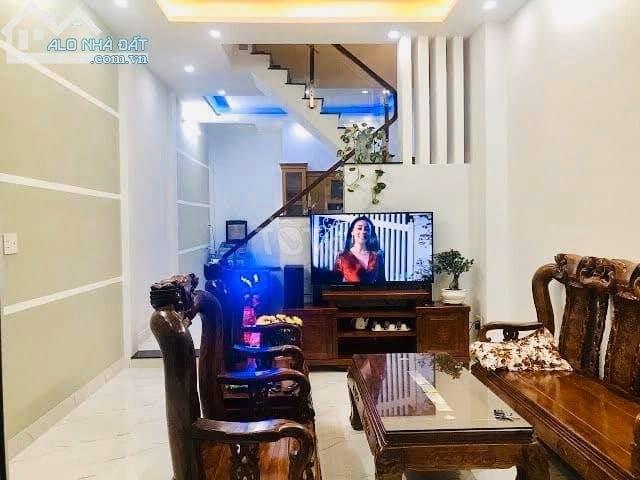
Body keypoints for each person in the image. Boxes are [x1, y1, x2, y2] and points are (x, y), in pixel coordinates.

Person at [334, 216, 386, 283]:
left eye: (367, 229)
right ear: (352, 232)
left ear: (370, 233)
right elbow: (335, 283)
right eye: (359, 228)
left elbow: (382, 282)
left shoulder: (377, 256)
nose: (363, 231)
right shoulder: (342, 256)